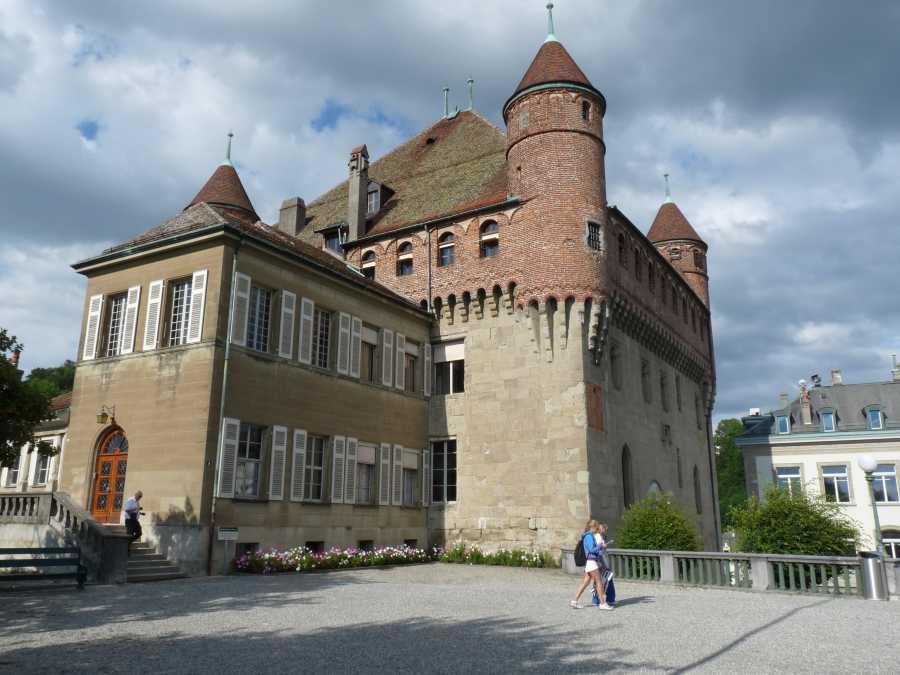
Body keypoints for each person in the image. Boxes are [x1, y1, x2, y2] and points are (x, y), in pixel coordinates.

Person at [570, 519, 611, 609]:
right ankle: (602, 603)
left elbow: (593, 550)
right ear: (593, 527)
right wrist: (601, 546)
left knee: (586, 582)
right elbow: (592, 550)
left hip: (590, 562)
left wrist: (601, 547)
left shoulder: (587, 536)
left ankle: (574, 601)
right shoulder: (589, 536)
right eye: (597, 528)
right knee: (599, 581)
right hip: (592, 562)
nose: (598, 530)